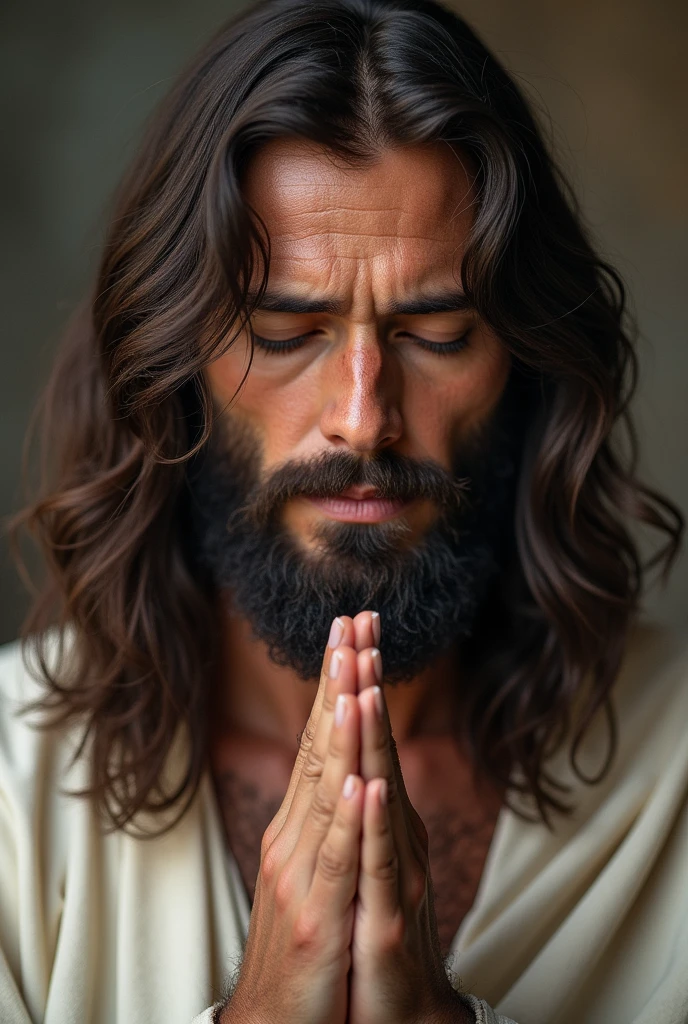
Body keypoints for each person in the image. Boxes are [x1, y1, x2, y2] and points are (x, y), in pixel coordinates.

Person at [1, 0, 686, 1021]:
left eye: (439, 332)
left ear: (527, 365)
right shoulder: (13, 781)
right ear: (175, 368)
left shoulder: (671, 764)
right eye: (286, 332)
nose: (361, 419)